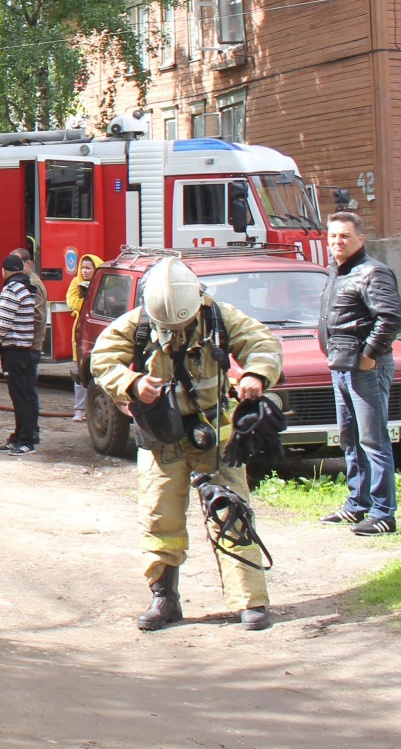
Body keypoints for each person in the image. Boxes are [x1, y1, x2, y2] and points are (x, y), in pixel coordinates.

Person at [90, 257, 282, 630]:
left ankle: (250, 602)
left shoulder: (220, 317)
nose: (177, 328)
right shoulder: (137, 324)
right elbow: (103, 358)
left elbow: (262, 342)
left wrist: (257, 373)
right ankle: (164, 599)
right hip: (162, 440)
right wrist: (131, 384)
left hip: (216, 439)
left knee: (233, 515)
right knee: (160, 517)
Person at [316, 211, 400, 535]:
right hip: (340, 368)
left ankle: (382, 513)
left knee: (374, 440)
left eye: (345, 236)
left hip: (366, 369)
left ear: (360, 239)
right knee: (350, 439)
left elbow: (390, 318)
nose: (338, 241)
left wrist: (368, 356)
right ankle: (357, 504)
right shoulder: (336, 272)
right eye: (334, 235)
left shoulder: (373, 273)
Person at [0, 254, 43, 454]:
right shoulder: (25, 287)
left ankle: (26, 441)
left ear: (3, 271)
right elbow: (10, 319)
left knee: (20, 397)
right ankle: (18, 436)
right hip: (23, 348)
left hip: (14, 350)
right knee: (21, 395)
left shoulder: (10, 289)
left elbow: (4, 323)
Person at [66, 254, 103, 421]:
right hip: (81, 333)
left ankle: (95, 409)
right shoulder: (75, 283)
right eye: (83, 267)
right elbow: (72, 302)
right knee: (80, 372)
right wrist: (85, 298)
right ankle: (79, 410)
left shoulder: (104, 284)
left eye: (88, 267)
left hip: (100, 332)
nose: (85, 271)